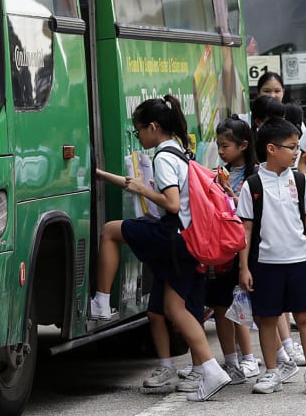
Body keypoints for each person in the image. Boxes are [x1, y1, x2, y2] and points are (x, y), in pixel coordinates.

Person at [90, 95, 231, 402]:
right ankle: (208, 368)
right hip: (188, 238)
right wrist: (102, 176)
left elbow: (170, 202)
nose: (138, 136)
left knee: (110, 231)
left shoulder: (163, 158)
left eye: (139, 129)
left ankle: (101, 302)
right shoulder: (178, 151)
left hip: (174, 236)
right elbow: (137, 184)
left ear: (153, 127)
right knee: (173, 308)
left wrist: (143, 189)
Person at [237, 118, 306, 395]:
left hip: (300, 261)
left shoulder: (299, 181)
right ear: (271, 149)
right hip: (265, 264)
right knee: (267, 318)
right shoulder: (251, 185)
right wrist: (244, 267)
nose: (295, 152)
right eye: (291, 147)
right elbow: (247, 229)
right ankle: (272, 372)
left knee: (304, 317)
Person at [208, 115, 261, 383]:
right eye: (218, 145)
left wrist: (229, 192)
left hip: (246, 248)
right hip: (223, 248)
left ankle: (250, 358)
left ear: (242, 145)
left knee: (242, 305)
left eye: (225, 146)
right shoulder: (220, 171)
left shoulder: (257, 173)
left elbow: (253, 212)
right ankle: (231, 361)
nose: (220, 151)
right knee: (221, 306)